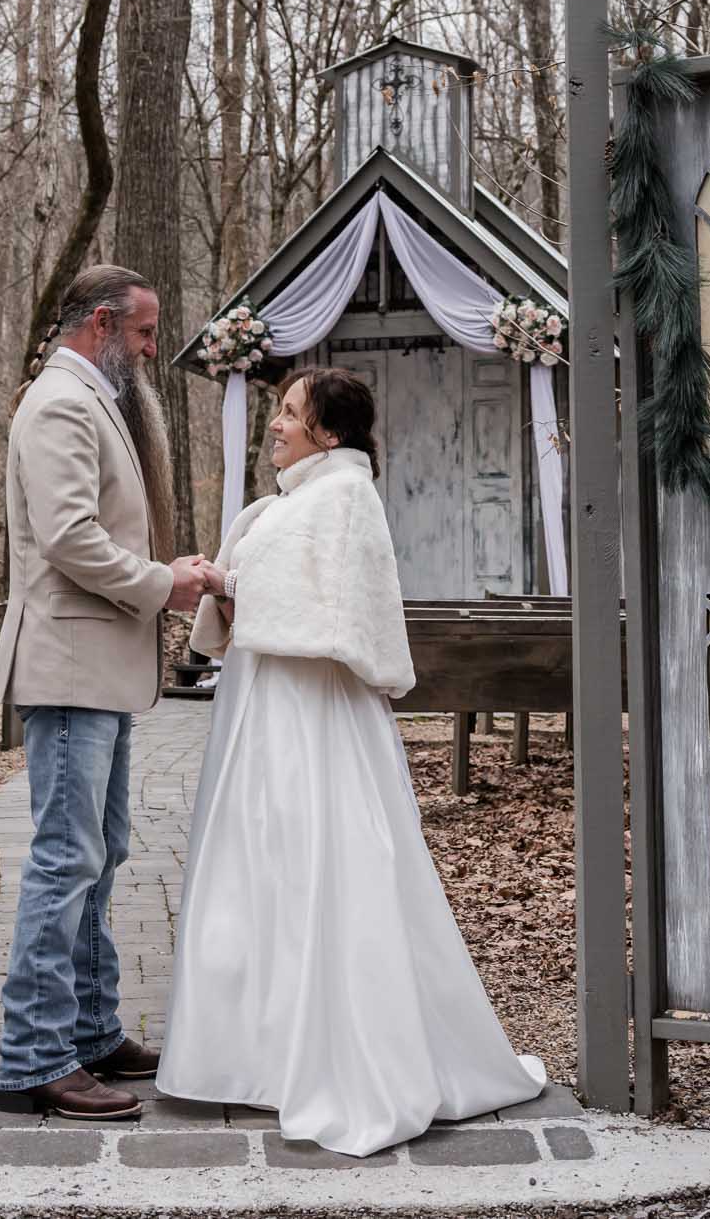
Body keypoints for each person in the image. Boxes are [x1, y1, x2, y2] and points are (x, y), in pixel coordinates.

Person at [157, 366, 546, 1156]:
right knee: (260, 868)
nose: (275, 423)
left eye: (290, 413)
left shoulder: (342, 499)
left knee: (320, 864)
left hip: (315, 718)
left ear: (328, 433)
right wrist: (224, 581)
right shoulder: (292, 502)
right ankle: (256, 1056)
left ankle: (343, 1055)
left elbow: (330, 605)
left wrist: (231, 579)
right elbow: (275, 587)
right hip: (266, 708)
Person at [0, 264, 214, 1122]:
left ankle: (89, 1026)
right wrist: (165, 583)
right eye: (146, 333)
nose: (153, 349)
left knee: (103, 850)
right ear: (103, 325)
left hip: (99, 672)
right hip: (71, 669)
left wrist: (166, 572)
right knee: (64, 857)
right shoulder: (59, 405)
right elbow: (72, 538)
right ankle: (37, 1058)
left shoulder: (90, 400)